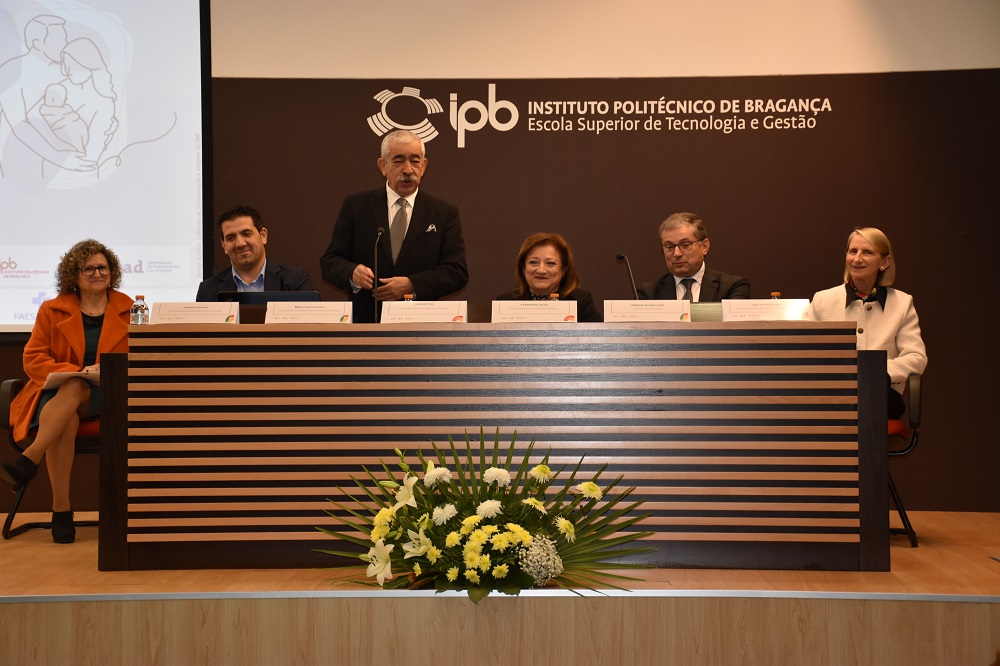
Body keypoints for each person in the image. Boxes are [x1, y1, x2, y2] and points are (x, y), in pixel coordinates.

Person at [0, 240, 133, 543]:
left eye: (103, 267)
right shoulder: (52, 309)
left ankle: (32, 468)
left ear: (111, 273)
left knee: (74, 390)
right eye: (88, 268)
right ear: (74, 275)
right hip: (57, 393)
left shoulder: (131, 309)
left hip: (109, 393)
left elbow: (141, 355)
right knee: (69, 408)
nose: (97, 273)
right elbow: (33, 358)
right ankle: (61, 508)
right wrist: (73, 371)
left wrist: (101, 372)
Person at [320, 129, 468, 323]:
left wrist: (411, 284)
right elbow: (330, 261)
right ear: (383, 166)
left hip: (422, 323)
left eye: (415, 161)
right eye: (398, 161)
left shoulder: (443, 212)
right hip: (367, 321)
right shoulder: (357, 206)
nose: (408, 169)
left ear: (424, 166)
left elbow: (456, 272)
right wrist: (352, 273)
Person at [808, 227, 927, 419]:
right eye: (853, 251)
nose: (857, 259)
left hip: (882, 395)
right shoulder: (823, 300)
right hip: (833, 393)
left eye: (867, 252)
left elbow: (916, 358)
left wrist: (877, 372)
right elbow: (807, 353)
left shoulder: (902, 303)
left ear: (885, 262)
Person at [196, 206, 315, 301]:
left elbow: (310, 328)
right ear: (224, 245)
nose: (240, 243)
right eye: (231, 238)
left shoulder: (295, 281)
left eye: (246, 234)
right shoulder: (208, 291)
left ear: (263, 236)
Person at [638, 212, 751, 301]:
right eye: (669, 246)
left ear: (705, 246)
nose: (677, 253)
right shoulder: (648, 294)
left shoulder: (732, 287)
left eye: (685, 245)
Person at [495, 232, 602, 322]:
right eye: (533, 262)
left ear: (563, 270)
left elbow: (600, 341)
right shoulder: (505, 302)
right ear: (523, 268)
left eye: (550, 263)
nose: (541, 270)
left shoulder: (581, 301)